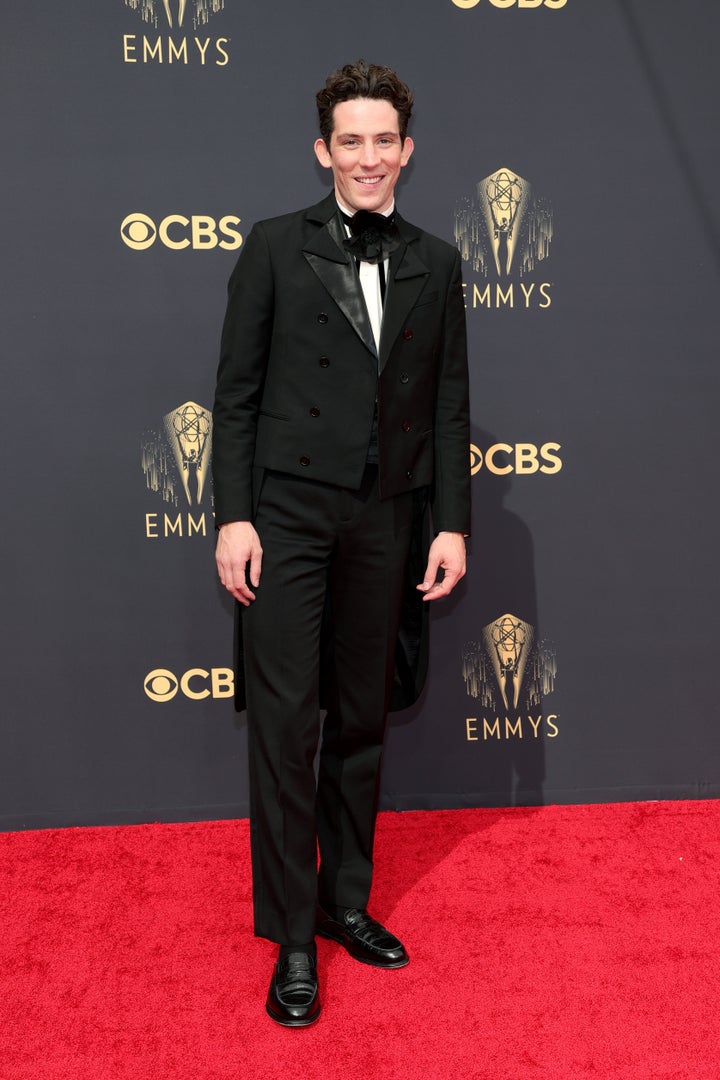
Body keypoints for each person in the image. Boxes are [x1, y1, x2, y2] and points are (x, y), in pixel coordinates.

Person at [212, 60, 470, 1027]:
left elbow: (449, 406)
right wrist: (232, 515)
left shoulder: (438, 262)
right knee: (287, 727)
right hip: (285, 517)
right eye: (349, 142)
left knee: (361, 716)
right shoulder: (275, 247)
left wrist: (450, 520)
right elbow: (234, 396)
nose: (368, 158)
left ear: (407, 150)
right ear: (324, 151)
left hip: (388, 518)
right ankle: (289, 939)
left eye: (384, 141)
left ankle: (344, 901)